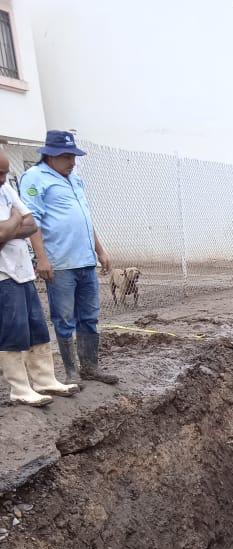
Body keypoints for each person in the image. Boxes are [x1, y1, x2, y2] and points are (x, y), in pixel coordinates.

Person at [20, 130, 117, 385]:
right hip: (60, 263)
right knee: (64, 318)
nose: (72, 161)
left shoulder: (75, 180)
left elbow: (85, 218)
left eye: (73, 156)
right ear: (50, 156)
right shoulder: (35, 179)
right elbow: (33, 222)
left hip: (85, 261)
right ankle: (72, 371)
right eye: (66, 156)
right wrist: (42, 259)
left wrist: (100, 250)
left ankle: (90, 367)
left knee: (90, 317)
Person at [0, 150, 78, 407]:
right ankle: (20, 388)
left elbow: (31, 224)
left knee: (36, 325)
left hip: (22, 269)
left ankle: (45, 379)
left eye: (5, 172)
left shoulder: (7, 190)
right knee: (13, 329)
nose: (4, 178)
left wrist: (9, 227)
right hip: (3, 274)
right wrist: (13, 222)